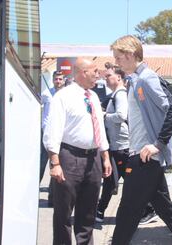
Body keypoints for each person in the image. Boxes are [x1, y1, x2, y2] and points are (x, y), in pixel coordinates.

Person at [110, 35, 172, 245]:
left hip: (143, 158)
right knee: (168, 212)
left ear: (130, 55)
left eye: (118, 57)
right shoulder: (135, 80)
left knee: (127, 214)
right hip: (143, 158)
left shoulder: (146, 78)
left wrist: (157, 144)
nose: (116, 62)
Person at [43, 57, 112, 245]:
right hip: (69, 158)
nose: (98, 74)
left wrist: (105, 157)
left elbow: (100, 130)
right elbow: (53, 132)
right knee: (63, 214)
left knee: (88, 212)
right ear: (83, 72)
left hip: (93, 160)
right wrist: (55, 163)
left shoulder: (94, 97)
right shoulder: (63, 97)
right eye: (95, 71)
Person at [95, 62, 129, 223]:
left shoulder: (120, 94)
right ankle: (100, 211)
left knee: (114, 181)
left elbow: (122, 115)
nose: (105, 78)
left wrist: (104, 116)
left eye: (108, 75)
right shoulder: (115, 94)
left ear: (119, 77)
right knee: (110, 180)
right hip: (116, 147)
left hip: (121, 147)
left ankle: (148, 209)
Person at [40, 70, 66, 206]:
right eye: (56, 79)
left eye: (60, 79)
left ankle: (53, 197)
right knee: (41, 164)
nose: (58, 81)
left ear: (64, 80)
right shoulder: (46, 93)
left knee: (55, 164)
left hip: (60, 134)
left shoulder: (66, 95)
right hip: (45, 133)